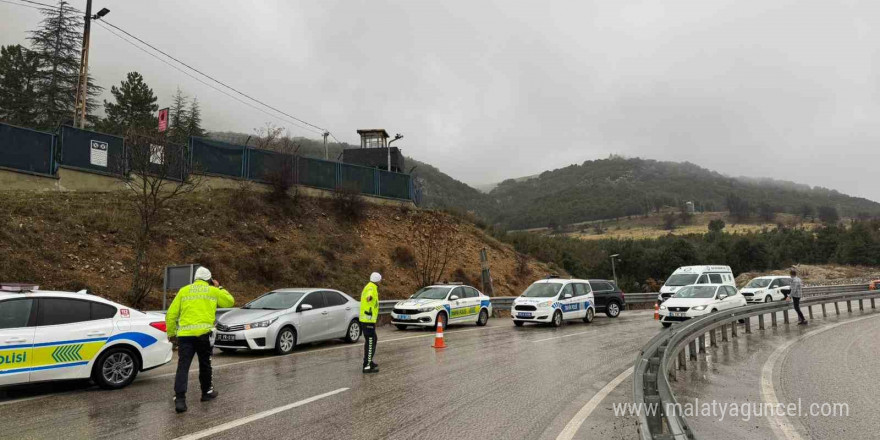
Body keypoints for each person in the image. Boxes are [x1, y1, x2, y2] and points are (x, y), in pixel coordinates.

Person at [166, 267, 235, 413]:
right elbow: (229, 302)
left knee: (183, 367)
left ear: (195, 278)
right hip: (204, 335)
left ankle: (180, 400)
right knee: (205, 364)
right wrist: (219, 287)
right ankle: (206, 393)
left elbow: (171, 314)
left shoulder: (184, 291)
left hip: (185, 336)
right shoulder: (213, 290)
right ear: (209, 279)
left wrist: (171, 333)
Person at [360, 272, 381, 374]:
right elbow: (369, 296)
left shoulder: (370, 286)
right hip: (367, 320)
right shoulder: (371, 288)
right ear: (378, 280)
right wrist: (370, 297)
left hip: (367, 320)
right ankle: (367, 366)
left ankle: (369, 361)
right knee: (370, 341)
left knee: (373, 340)